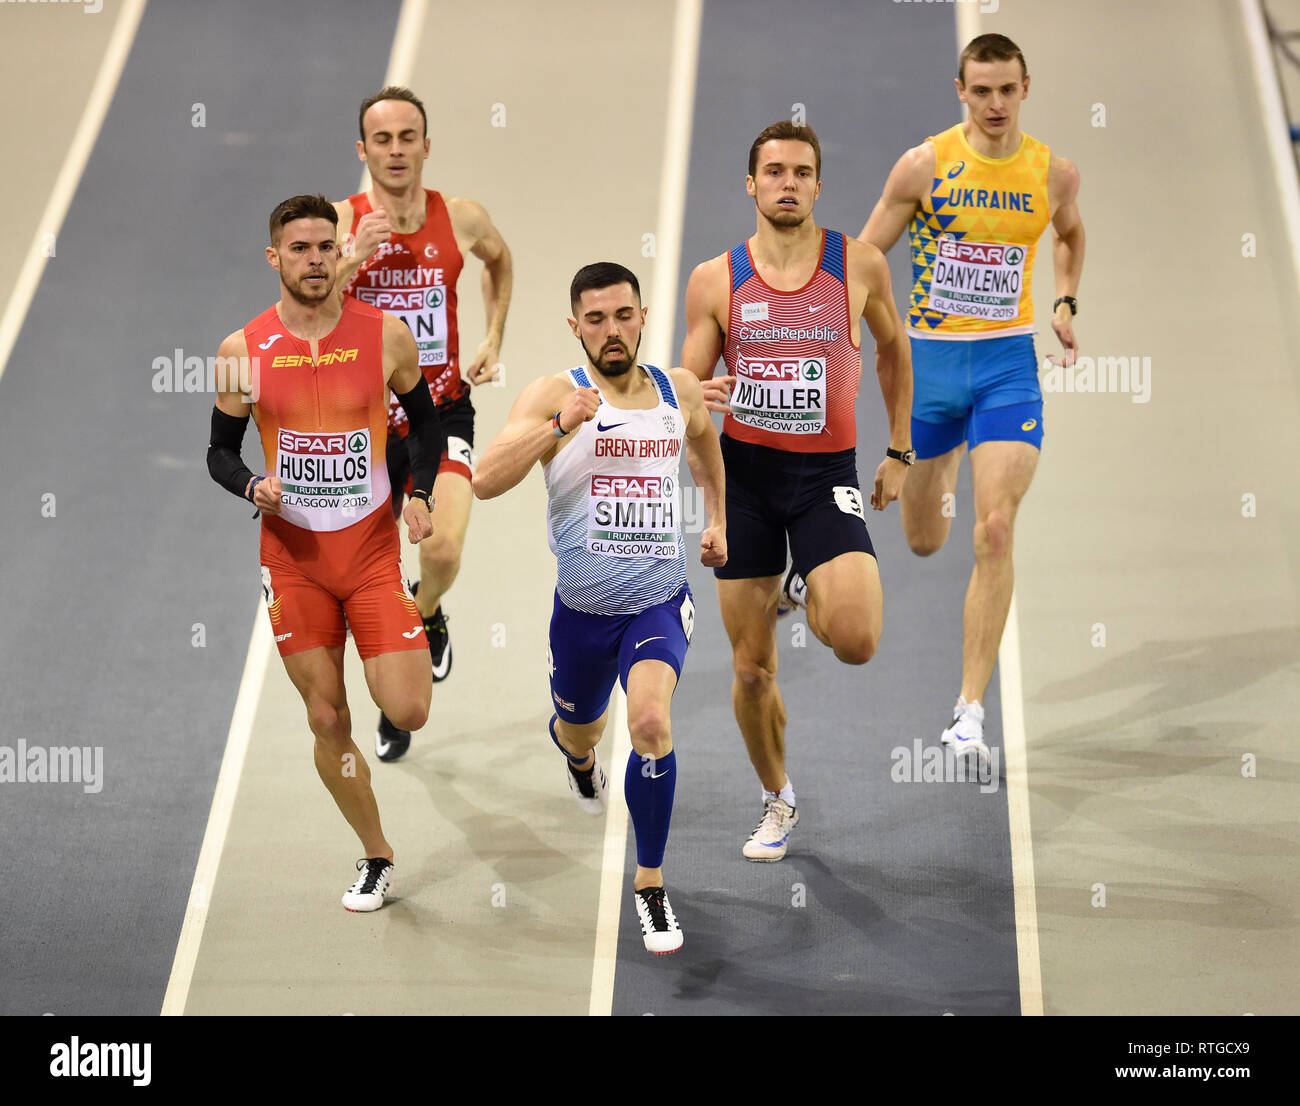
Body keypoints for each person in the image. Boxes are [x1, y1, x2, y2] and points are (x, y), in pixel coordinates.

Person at [473, 262, 726, 953]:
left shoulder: (680, 390)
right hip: (580, 615)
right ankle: (578, 757)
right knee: (580, 729)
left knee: (649, 722)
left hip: (657, 603)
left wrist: (717, 519)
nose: (611, 332)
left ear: (643, 316)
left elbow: (704, 442)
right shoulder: (558, 392)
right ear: (574, 327)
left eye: (623, 315)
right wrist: (557, 425)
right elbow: (485, 479)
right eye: (595, 319)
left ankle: (649, 885)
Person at [206, 194, 446, 912]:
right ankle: (376, 853)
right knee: (326, 717)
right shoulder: (241, 351)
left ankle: (423, 621)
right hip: (294, 561)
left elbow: (425, 425)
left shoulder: (386, 336)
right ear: (275, 258)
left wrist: (420, 491)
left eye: (324, 247)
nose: (314, 259)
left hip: (371, 553)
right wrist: (253, 485)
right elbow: (219, 452)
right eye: (299, 248)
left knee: (408, 712)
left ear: (341, 251)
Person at [681, 121, 913, 862]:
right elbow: (688, 399)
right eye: (773, 171)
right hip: (744, 483)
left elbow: (893, 350)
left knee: (855, 639)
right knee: (752, 668)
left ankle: (797, 579)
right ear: (751, 184)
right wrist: (710, 499)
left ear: (818, 184)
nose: (787, 183)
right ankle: (777, 799)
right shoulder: (716, 279)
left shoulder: (860, 265)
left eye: (801, 172)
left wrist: (900, 449)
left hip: (823, 480)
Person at [858, 33, 1084, 762]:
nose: (994, 103)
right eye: (980, 90)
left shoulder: (1053, 174)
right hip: (929, 371)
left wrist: (1067, 301)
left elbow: (1070, 237)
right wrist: (835, 332)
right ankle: (946, 456)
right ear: (961, 89)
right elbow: (866, 258)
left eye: (1006, 90)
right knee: (924, 539)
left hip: (1005, 367)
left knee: (993, 531)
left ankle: (967, 714)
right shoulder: (924, 165)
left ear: (1026, 88)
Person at [334, 85, 513, 762]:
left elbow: (500, 259)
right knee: (370, 589)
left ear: (426, 146)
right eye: (382, 140)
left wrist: (494, 333)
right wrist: (352, 259)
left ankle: (430, 610)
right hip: (360, 428)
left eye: (408, 137)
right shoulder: (338, 223)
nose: (396, 150)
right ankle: (395, 703)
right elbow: (301, 314)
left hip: (438, 410)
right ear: (363, 150)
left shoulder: (461, 218)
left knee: (440, 551)